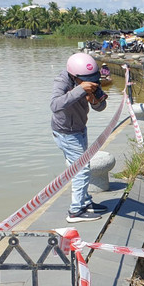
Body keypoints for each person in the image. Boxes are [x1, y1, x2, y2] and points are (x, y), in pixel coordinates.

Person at [51, 52, 109, 223]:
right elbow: (54, 105)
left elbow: (101, 106)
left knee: (82, 166)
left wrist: (94, 100)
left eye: (93, 78)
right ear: (74, 76)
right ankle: (75, 211)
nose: (91, 82)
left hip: (80, 128)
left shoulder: (90, 80)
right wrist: (79, 90)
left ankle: (84, 202)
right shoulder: (62, 81)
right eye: (86, 79)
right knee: (81, 170)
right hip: (66, 132)